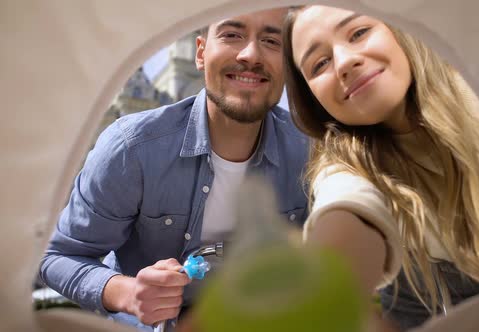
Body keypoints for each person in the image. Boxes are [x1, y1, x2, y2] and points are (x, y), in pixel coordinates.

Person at [39, 7, 309, 331]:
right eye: (232, 34)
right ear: (200, 53)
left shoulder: (311, 155)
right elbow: (56, 256)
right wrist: (128, 293)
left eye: (271, 40)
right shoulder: (133, 149)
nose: (251, 53)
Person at [283, 5, 479, 331]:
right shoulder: (343, 162)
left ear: (398, 28)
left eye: (359, 33)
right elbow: (346, 206)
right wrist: (325, 295)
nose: (344, 61)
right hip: (431, 293)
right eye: (319, 63)